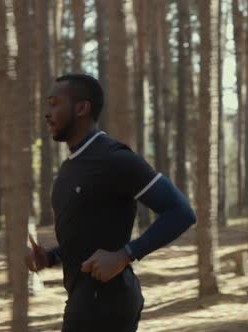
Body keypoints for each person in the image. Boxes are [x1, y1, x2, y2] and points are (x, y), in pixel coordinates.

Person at [25, 73, 196, 332]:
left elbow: (181, 211)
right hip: (83, 299)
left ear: (82, 108)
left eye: (55, 103)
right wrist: (50, 257)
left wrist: (126, 254)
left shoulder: (114, 158)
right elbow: (91, 237)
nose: (47, 113)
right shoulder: (71, 166)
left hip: (107, 303)